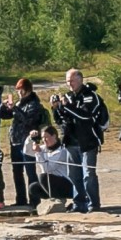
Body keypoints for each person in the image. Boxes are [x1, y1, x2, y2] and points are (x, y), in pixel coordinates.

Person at [50, 68, 109, 213]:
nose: (69, 84)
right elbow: (61, 120)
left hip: (88, 142)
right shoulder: (68, 97)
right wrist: (56, 108)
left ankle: (93, 204)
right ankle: (79, 203)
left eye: (72, 80)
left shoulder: (90, 96)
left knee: (88, 174)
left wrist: (67, 106)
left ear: (80, 80)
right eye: (67, 81)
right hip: (71, 142)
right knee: (74, 174)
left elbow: (86, 117)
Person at [0, 79, 46, 206]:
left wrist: (15, 108)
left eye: (20, 89)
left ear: (27, 89)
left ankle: (35, 200)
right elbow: (4, 116)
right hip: (15, 141)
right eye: (17, 89)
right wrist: (4, 106)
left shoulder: (34, 104)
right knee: (17, 172)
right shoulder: (19, 103)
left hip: (27, 142)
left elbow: (27, 120)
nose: (18, 92)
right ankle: (20, 199)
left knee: (30, 171)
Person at [26, 125, 76, 206]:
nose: (44, 140)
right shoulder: (44, 148)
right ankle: (54, 198)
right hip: (51, 183)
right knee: (33, 187)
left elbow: (47, 169)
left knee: (43, 177)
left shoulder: (61, 151)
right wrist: (30, 138)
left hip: (67, 184)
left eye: (46, 137)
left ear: (54, 136)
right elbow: (27, 151)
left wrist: (39, 153)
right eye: (42, 138)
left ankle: (58, 199)